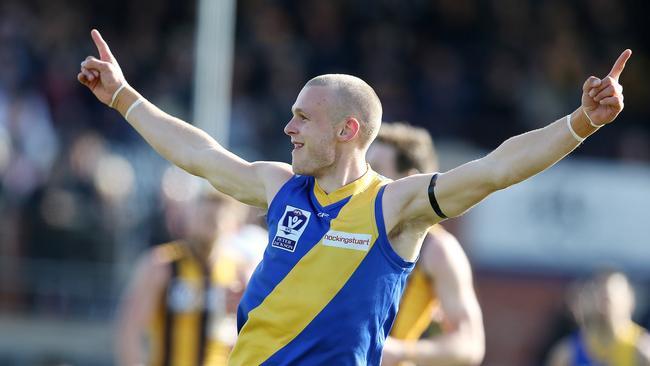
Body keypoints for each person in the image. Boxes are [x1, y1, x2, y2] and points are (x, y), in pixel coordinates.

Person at [78, 28, 631, 365]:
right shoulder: (279, 188)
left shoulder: (395, 207)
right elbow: (198, 155)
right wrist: (123, 97)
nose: (288, 127)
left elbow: (495, 170)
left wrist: (581, 121)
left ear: (346, 130)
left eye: (302, 117)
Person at [367, 122, 484, 365]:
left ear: (410, 180)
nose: (365, 179)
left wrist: (400, 352)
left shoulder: (438, 249)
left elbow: (470, 344)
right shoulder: (351, 225)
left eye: (376, 170)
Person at [115, 188, 247, 366]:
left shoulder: (239, 271)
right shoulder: (163, 264)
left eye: (215, 220)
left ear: (234, 224)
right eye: (205, 218)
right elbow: (130, 329)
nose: (210, 225)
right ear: (191, 217)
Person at [546, 270, 650, 366]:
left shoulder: (642, 350)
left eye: (608, 299)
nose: (604, 306)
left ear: (629, 301)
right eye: (600, 297)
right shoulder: (567, 353)